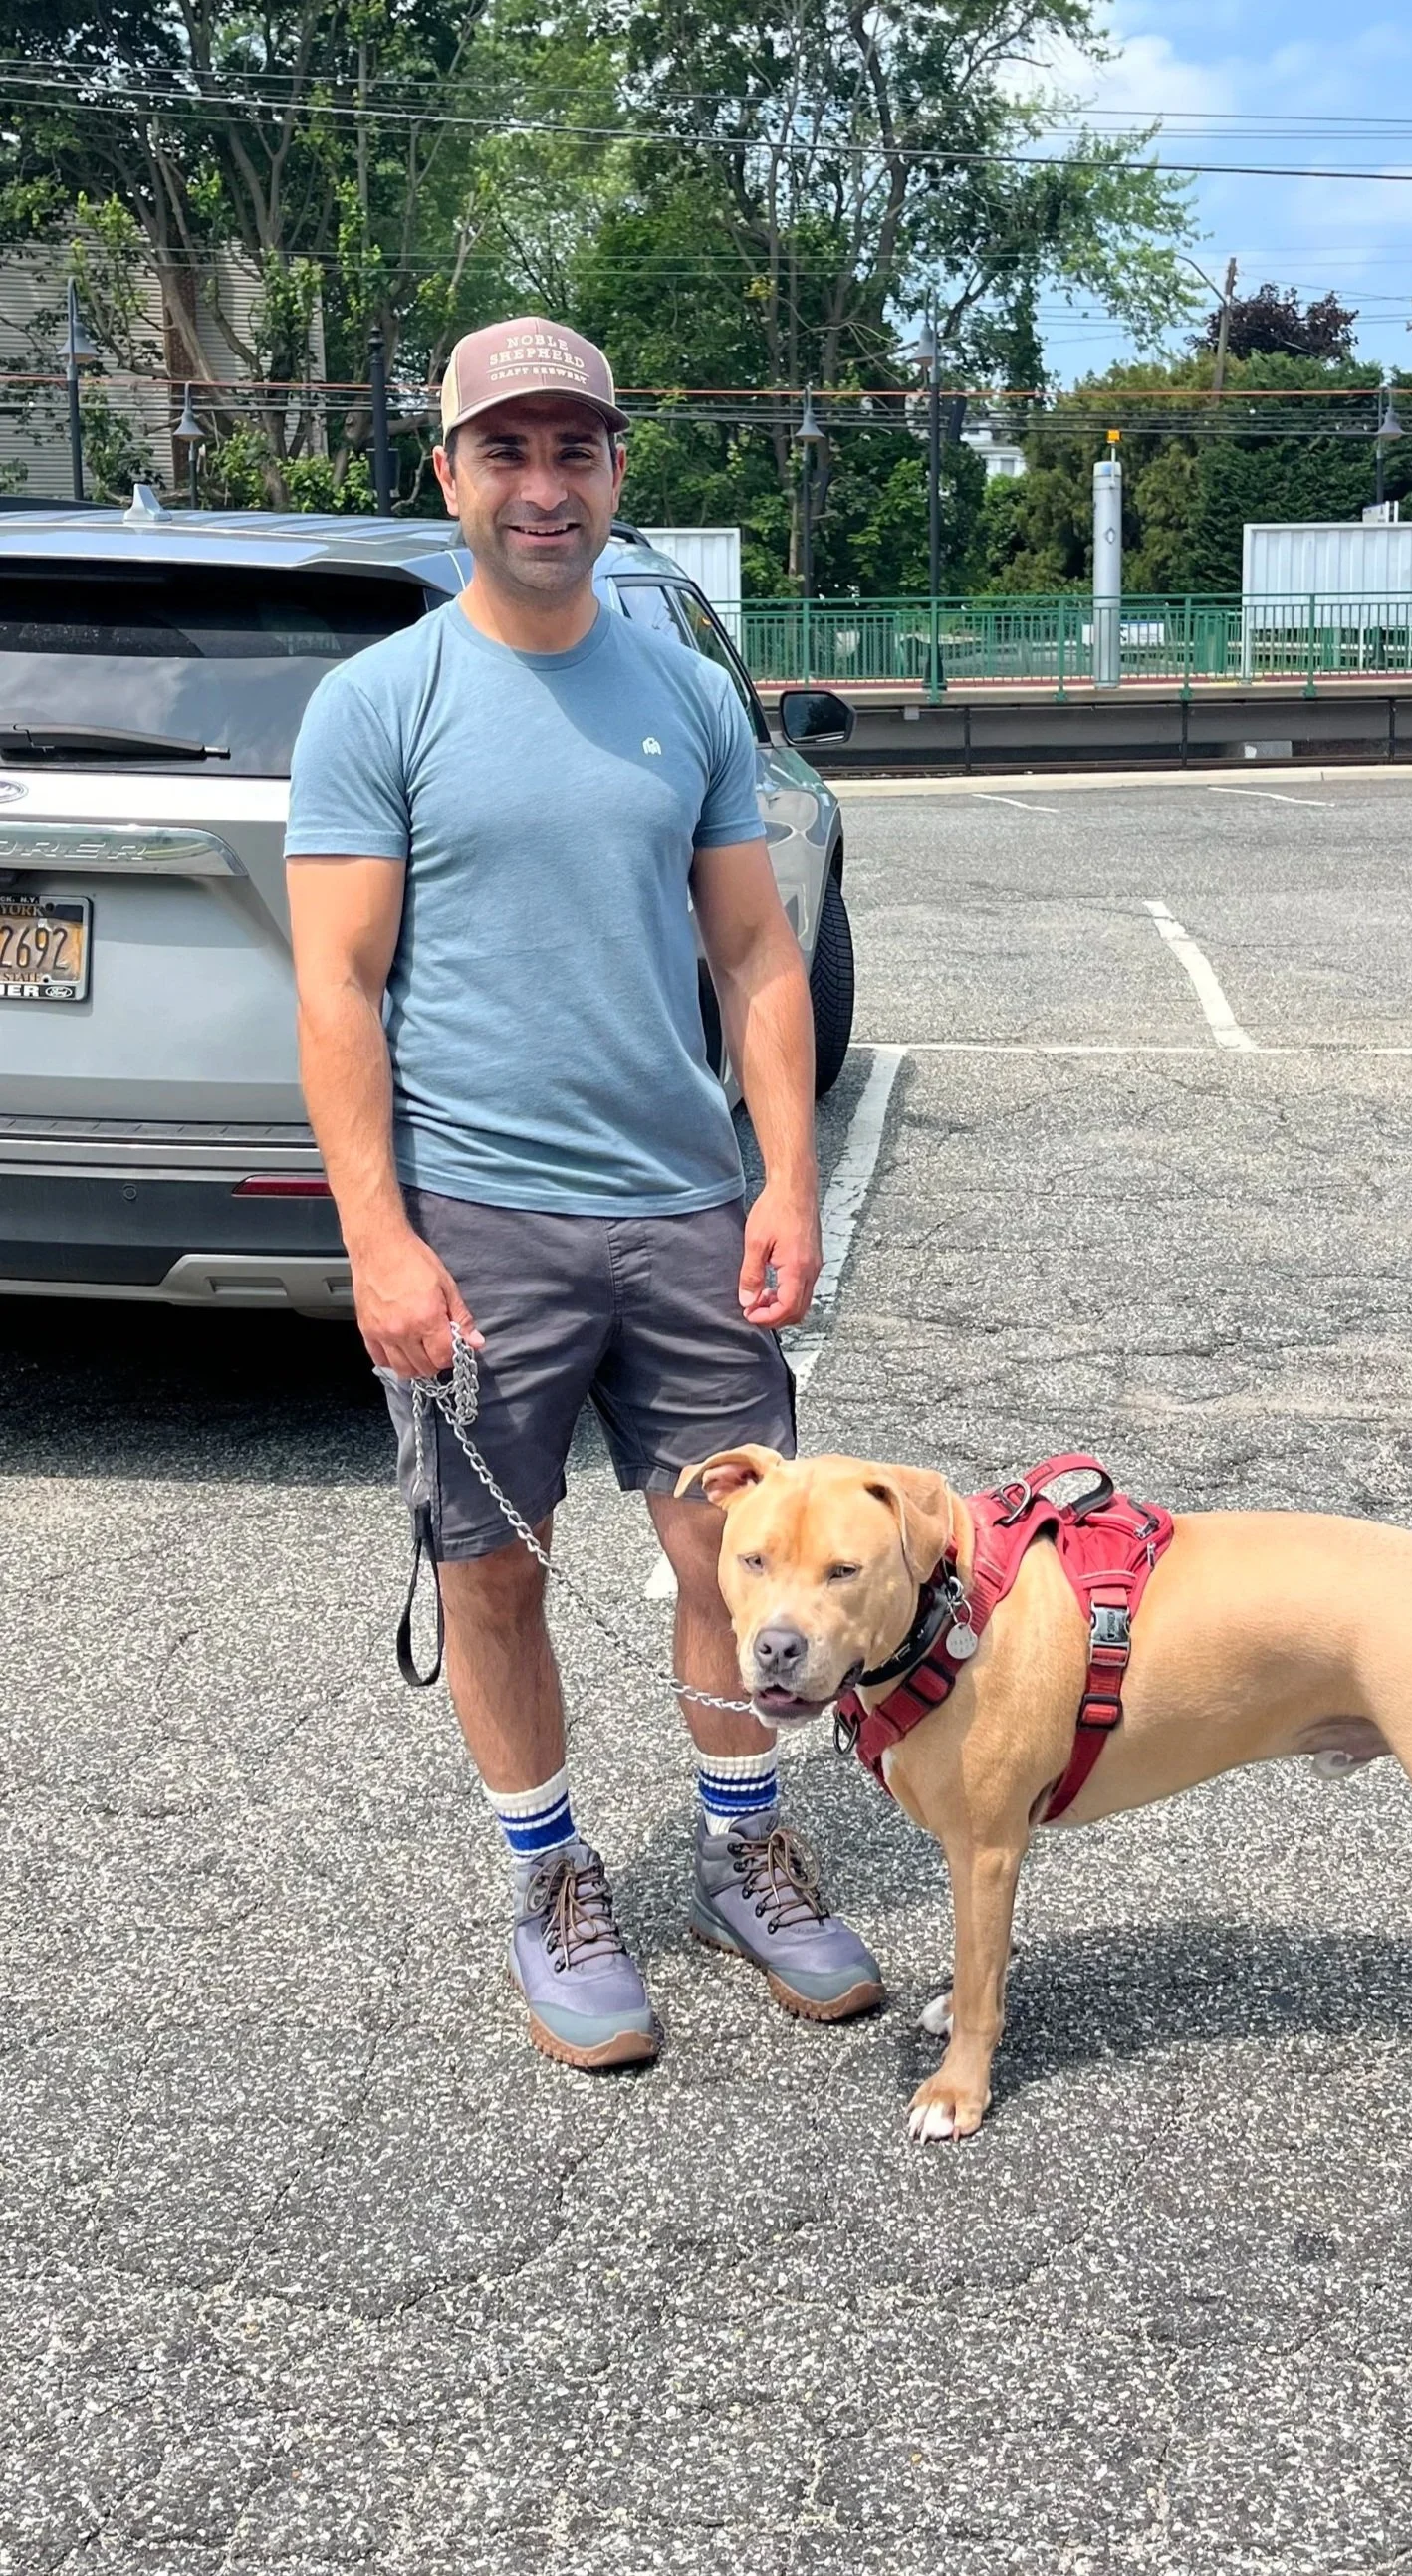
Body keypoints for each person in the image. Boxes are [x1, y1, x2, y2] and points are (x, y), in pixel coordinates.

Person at [285, 316, 881, 2070]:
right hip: (479, 1219)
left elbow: (759, 952)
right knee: (496, 1568)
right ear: (452, 474)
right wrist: (378, 1240)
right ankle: (548, 1874)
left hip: (686, 1210)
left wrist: (785, 1181)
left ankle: (741, 1843)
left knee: (732, 1553)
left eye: (577, 452)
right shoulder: (377, 705)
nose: (544, 488)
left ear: (619, 472)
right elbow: (336, 989)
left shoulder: (688, 695)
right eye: (507, 452)